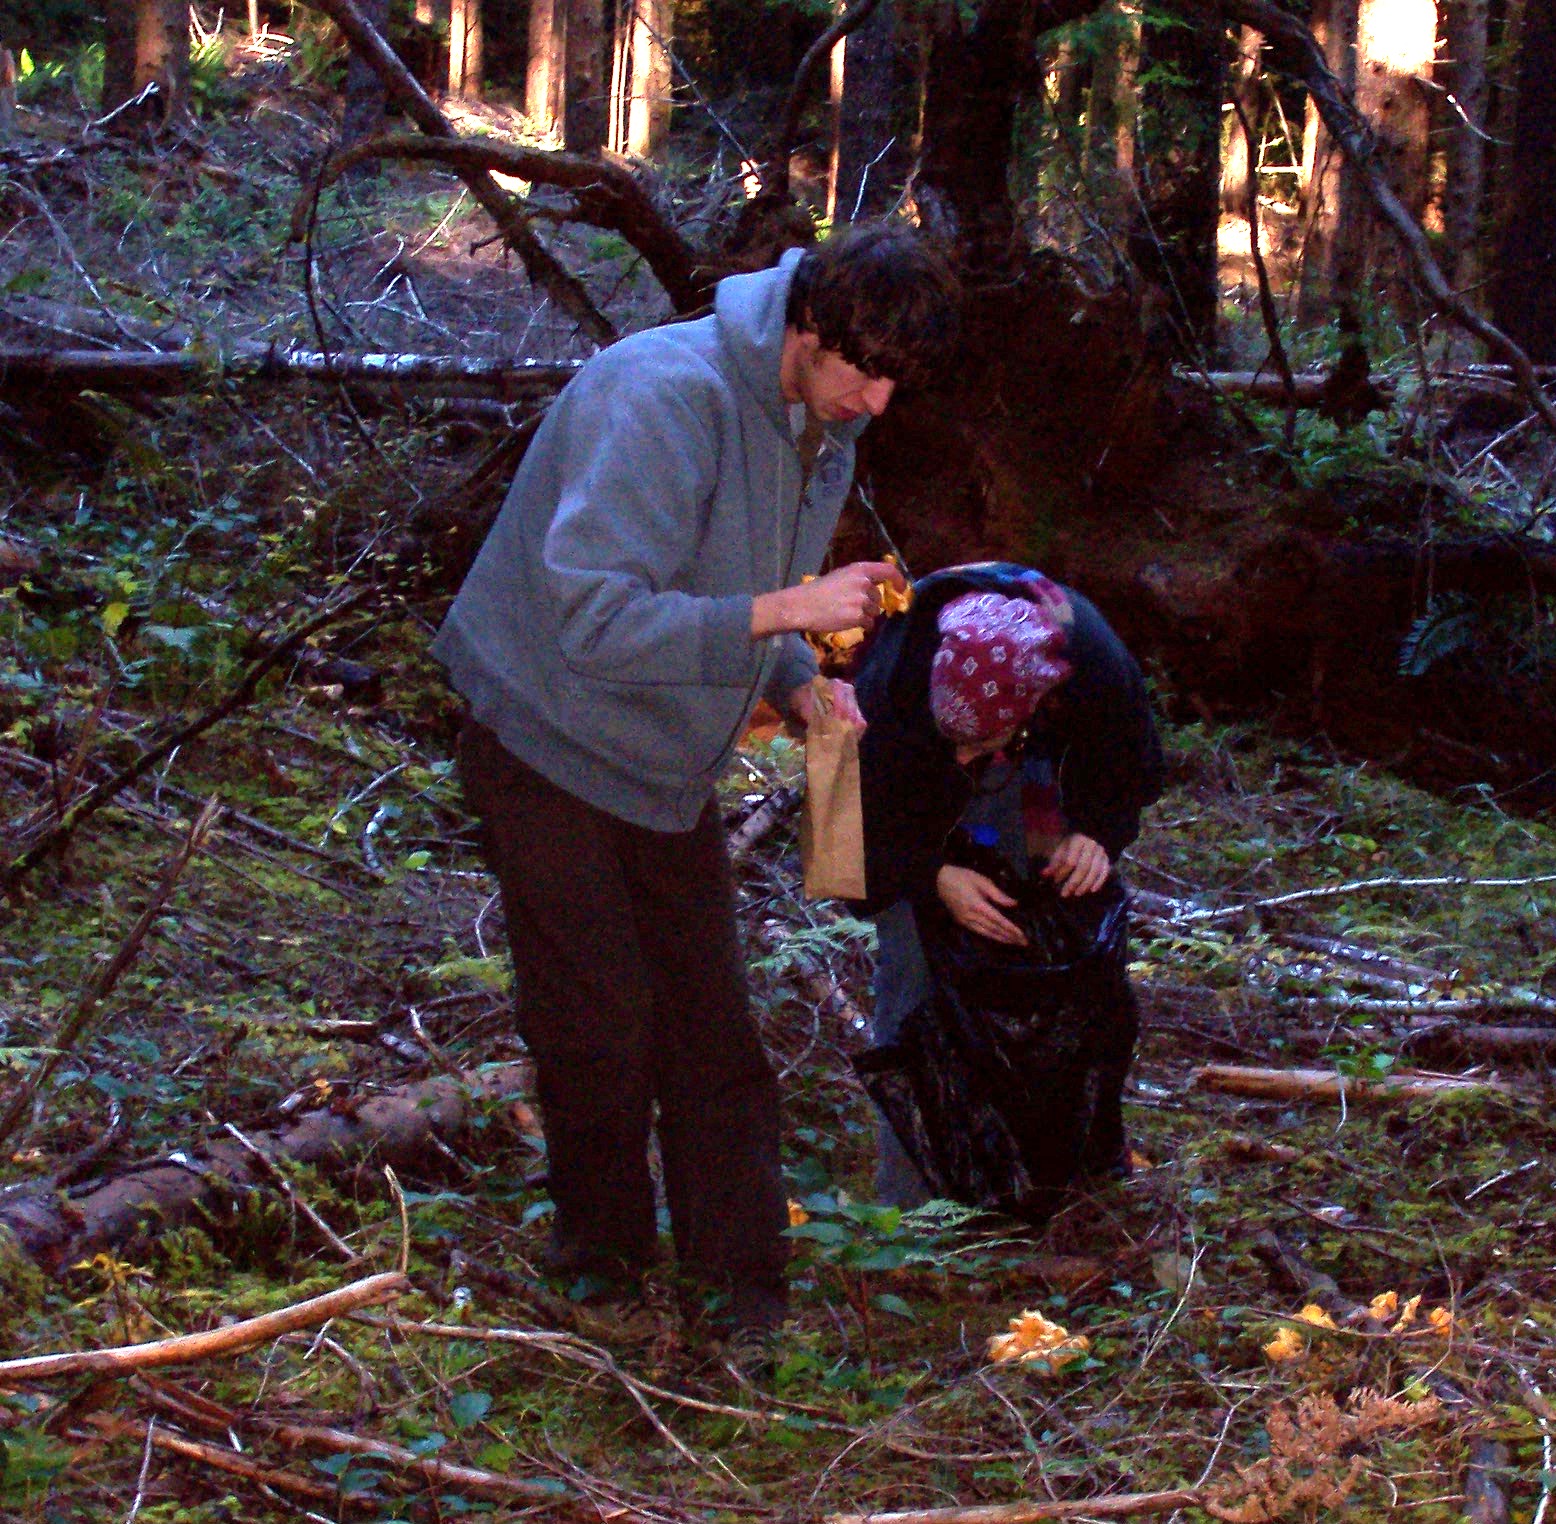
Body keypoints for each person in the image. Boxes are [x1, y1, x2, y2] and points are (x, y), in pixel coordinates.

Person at [432, 224, 959, 1350]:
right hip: (545, 736)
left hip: (660, 765)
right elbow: (595, 618)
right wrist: (789, 615)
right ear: (807, 324)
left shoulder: (819, 424)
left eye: (896, 383)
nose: (875, 401)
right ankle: (601, 1280)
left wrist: (799, 684)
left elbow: (732, 587)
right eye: (863, 370)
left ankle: (741, 1304)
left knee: (714, 1040)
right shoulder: (666, 397)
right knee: (599, 1030)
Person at [850, 563, 1164, 1208]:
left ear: (1040, 704)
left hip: (1040, 779)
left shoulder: (1094, 667)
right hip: (911, 793)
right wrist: (931, 876)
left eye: (978, 742)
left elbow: (1131, 764)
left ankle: (1058, 1177)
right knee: (913, 971)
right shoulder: (890, 685)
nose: (964, 759)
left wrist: (1096, 834)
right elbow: (859, 823)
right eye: (954, 742)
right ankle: (912, 1206)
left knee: (1065, 969)